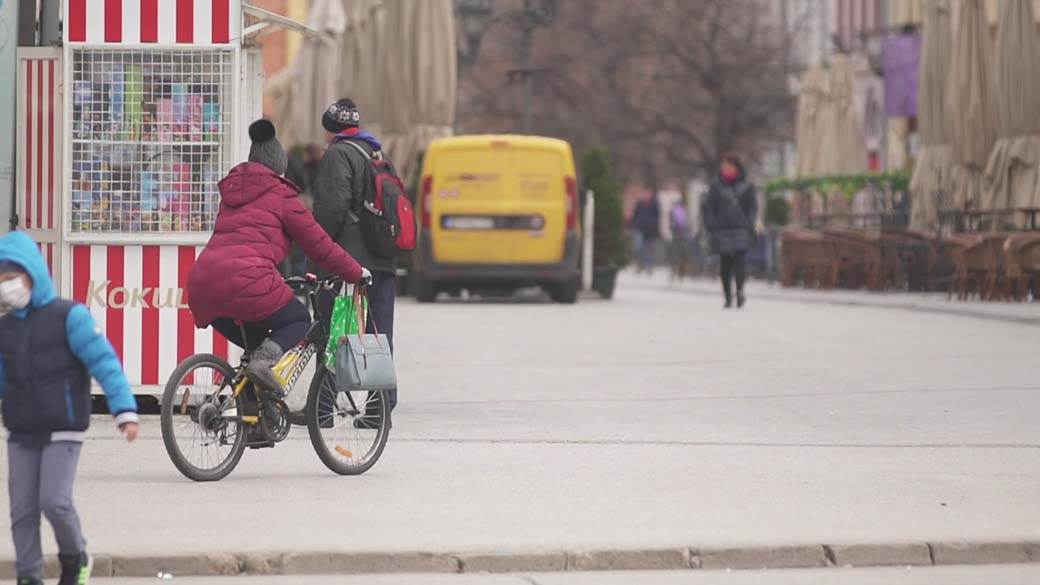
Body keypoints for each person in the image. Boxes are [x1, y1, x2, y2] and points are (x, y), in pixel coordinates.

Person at [188, 119, 368, 401]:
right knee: (298, 320)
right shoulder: (282, 197)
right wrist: (356, 272)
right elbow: (320, 246)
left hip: (202, 287)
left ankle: (254, 420)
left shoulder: (231, 196)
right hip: (246, 282)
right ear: (279, 168)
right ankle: (261, 366)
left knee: (259, 344)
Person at [0, 231, 139, 585]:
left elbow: (104, 362)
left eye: (12, 278)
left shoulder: (69, 316)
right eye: (1, 280)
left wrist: (125, 410)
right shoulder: (5, 328)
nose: (7, 286)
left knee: (54, 501)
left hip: (63, 426)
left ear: (33, 273)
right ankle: (29, 576)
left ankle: (75, 556)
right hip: (21, 430)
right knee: (21, 511)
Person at [311, 98, 399, 412]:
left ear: (329, 129)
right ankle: (379, 411)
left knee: (335, 332)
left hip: (347, 263)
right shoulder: (378, 154)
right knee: (378, 335)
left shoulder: (337, 154)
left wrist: (317, 251)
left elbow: (331, 212)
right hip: (383, 260)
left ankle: (322, 410)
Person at [703, 153, 758, 308]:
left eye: (729, 166)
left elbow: (752, 207)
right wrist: (711, 224)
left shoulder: (747, 186)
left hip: (740, 228)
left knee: (740, 262)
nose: (726, 168)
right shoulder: (716, 186)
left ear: (736, 167)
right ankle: (728, 295)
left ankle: (740, 290)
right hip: (722, 229)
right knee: (725, 263)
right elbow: (709, 207)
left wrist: (749, 222)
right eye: (724, 165)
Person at [629, 193, 660, 275]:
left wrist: (654, 226)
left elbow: (658, 217)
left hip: (650, 231)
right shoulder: (639, 204)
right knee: (639, 249)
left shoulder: (654, 205)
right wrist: (634, 226)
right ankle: (640, 266)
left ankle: (649, 267)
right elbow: (635, 216)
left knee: (649, 250)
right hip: (640, 230)